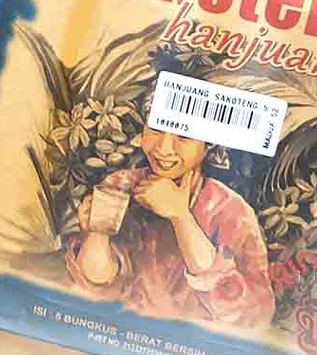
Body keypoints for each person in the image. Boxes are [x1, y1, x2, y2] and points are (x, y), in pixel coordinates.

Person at [65, 126, 274, 327]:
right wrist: (97, 233)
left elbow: (254, 316)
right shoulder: (120, 185)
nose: (163, 149)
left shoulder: (231, 211)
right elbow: (96, 286)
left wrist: (181, 216)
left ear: (207, 145)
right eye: (156, 129)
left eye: (184, 135)